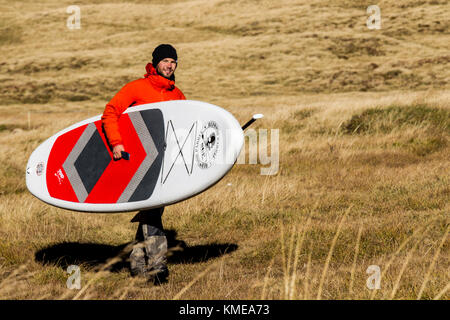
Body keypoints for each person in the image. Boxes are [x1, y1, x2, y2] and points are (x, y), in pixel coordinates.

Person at [101, 44, 185, 284]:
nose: (170, 66)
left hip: (164, 163)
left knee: (152, 211)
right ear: (156, 63)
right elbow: (110, 112)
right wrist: (116, 143)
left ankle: (137, 263)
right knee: (152, 210)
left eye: (173, 62)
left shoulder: (176, 94)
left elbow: (183, 127)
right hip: (140, 162)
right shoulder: (137, 87)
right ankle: (158, 268)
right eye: (165, 61)